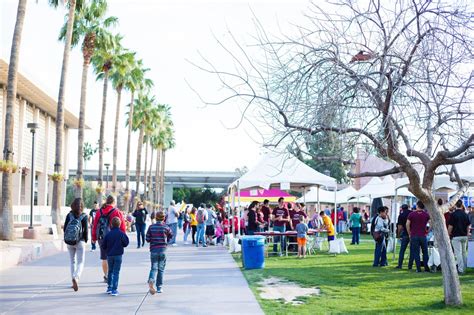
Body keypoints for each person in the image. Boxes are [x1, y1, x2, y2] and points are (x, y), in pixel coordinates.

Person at [92, 195, 126, 283]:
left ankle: (107, 275)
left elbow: (95, 225)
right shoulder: (117, 212)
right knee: (114, 257)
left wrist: (94, 237)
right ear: (114, 202)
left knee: (104, 258)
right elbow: (122, 226)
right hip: (114, 239)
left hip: (102, 237)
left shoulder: (99, 211)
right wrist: (123, 237)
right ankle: (112, 275)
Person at [63, 198, 88, 291]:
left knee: (72, 261)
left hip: (69, 241)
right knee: (81, 262)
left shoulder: (69, 215)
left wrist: (67, 237)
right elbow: (85, 231)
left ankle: (72, 280)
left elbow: (65, 228)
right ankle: (76, 277)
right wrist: (86, 240)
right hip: (80, 241)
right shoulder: (84, 216)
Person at [146, 211, 173, 294]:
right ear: (164, 218)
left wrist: (152, 240)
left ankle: (151, 280)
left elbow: (147, 239)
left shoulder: (151, 227)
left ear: (155, 218)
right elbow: (171, 235)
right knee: (161, 269)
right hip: (162, 250)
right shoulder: (166, 227)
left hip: (154, 250)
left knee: (153, 268)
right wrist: (166, 240)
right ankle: (159, 287)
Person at [102, 217, 129, 296]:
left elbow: (103, 246)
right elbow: (126, 243)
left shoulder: (108, 234)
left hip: (110, 255)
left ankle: (109, 288)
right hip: (118, 255)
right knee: (116, 272)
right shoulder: (121, 233)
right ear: (120, 224)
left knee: (110, 271)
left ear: (111, 224)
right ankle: (114, 290)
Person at [448, 200, 471, 274]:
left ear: (455, 205)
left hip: (456, 236)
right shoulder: (465, 214)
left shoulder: (453, 214)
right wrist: (467, 233)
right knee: (464, 252)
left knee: (458, 253)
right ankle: (464, 268)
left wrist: (448, 234)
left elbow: (450, 226)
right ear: (461, 205)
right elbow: (468, 225)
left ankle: (461, 269)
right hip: (464, 235)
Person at [406, 201, 430, 272]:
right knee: (425, 252)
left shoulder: (411, 214)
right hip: (423, 235)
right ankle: (426, 268)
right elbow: (431, 223)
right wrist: (428, 231)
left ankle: (418, 268)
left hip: (414, 235)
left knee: (416, 252)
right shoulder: (426, 214)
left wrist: (409, 233)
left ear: (417, 206)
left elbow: (407, 224)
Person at [395, 204, 412, 269]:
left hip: (405, 234)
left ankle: (400, 265)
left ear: (402, 208)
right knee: (412, 250)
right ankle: (410, 266)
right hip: (412, 233)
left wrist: (398, 235)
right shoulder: (412, 213)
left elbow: (400, 227)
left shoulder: (401, 215)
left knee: (402, 250)